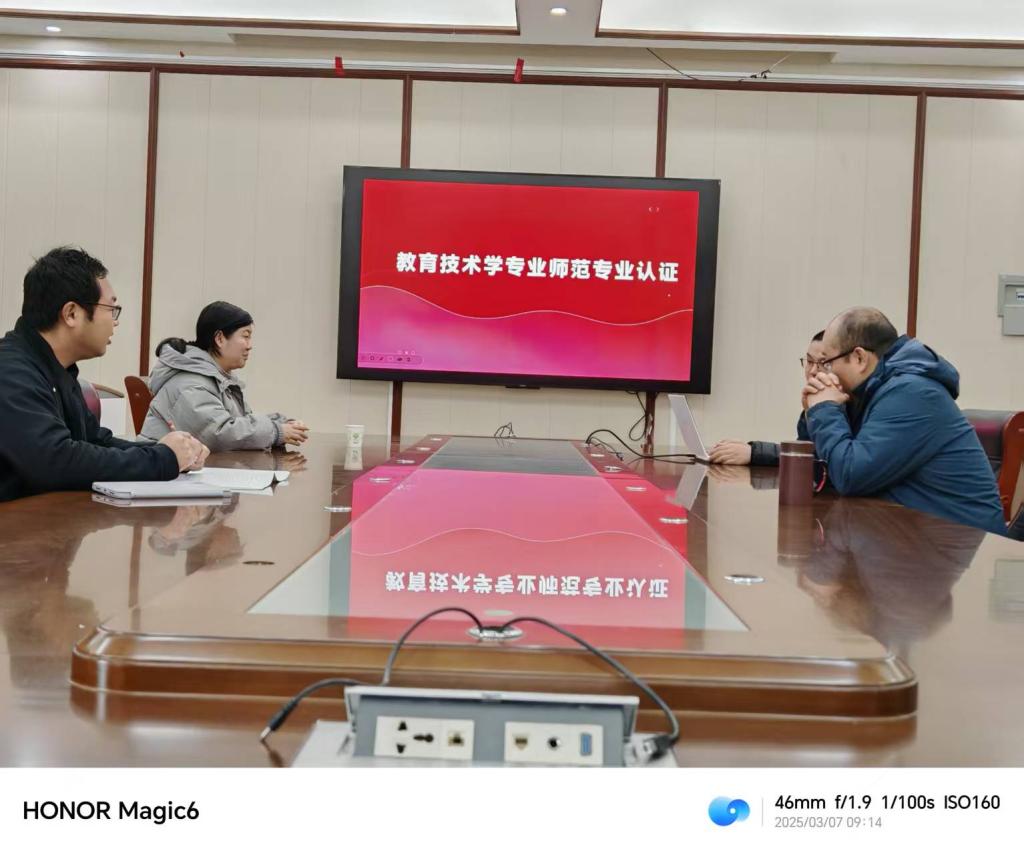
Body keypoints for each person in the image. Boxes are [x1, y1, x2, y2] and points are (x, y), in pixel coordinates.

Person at [0, 247, 208, 502]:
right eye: (111, 309)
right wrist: (163, 459)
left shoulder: (57, 369)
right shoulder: (11, 371)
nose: (115, 321)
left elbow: (95, 441)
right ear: (71, 313)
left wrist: (171, 451)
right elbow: (54, 461)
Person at [803, 306, 1006, 535]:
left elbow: (849, 475)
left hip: (956, 542)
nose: (820, 373)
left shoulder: (912, 394)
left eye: (827, 363)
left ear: (859, 358)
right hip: (909, 532)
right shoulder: (872, 392)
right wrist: (813, 413)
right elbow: (825, 469)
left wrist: (825, 410)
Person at [140, 301, 309, 452]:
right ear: (220, 338)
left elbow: (242, 421)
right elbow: (219, 433)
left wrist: (281, 424)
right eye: (245, 336)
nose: (250, 346)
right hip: (163, 473)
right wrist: (277, 431)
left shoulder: (215, 379)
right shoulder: (191, 383)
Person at [709, 331, 829, 466]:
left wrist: (754, 453)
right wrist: (809, 414)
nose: (812, 371)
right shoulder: (813, 401)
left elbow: (824, 460)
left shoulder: (843, 405)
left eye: (823, 363)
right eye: (810, 361)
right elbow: (804, 455)